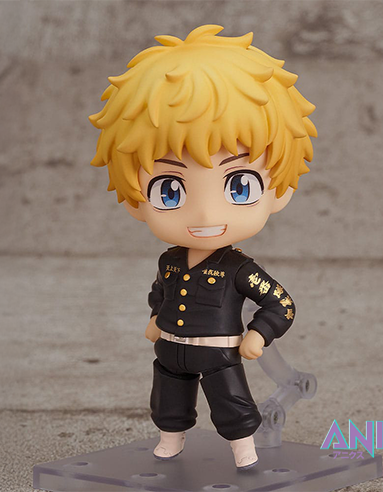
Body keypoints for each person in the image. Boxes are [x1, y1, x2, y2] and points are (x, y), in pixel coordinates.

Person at [89, 24, 316, 469]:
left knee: (230, 401)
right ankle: (170, 439)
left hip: (219, 352)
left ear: (279, 189)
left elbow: (281, 304)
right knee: (168, 397)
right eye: (170, 190)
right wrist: (154, 317)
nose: (206, 215)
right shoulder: (169, 260)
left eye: (239, 185)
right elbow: (160, 291)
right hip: (170, 347)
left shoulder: (239, 268)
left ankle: (243, 448)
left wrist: (258, 334)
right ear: (135, 200)